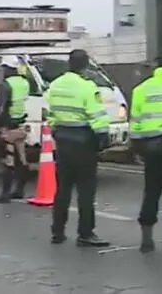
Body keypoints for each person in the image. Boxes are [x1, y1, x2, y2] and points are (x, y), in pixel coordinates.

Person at [45, 49, 110, 247]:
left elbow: (49, 113)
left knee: (62, 188)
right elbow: (96, 116)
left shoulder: (54, 85)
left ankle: (57, 231)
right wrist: (103, 137)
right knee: (86, 189)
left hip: (63, 140)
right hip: (84, 141)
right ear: (85, 65)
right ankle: (85, 233)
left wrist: (57, 131)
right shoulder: (87, 87)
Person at [131, 48, 162, 253]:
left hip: (154, 146)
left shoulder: (142, 89)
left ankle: (147, 239)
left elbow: (136, 124)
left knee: (152, 191)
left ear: (157, 65)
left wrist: (138, 149)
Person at [0, 59, 30, 203]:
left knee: (8, 160)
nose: (3, 71)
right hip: (21, 125)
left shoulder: (6, 86)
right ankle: (19, 190)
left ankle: (5, 194)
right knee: (22, 159)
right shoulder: (24, 83)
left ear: (8, 69)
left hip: (8, 127)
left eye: (4, 68)